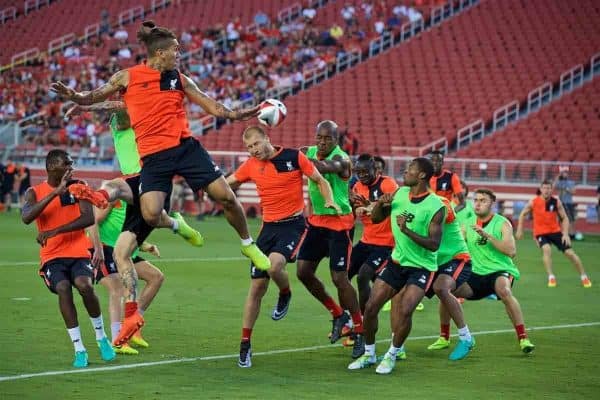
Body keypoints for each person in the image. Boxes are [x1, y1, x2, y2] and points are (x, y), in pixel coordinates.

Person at [50, 21, 270, 277]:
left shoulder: (179, 79)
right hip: (153, 158)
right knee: (152, 215)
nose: (179, 54)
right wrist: (75, 96)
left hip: (185, 148)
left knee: (225, 196)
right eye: (176, 50)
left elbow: (213, 106)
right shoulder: (127, 76)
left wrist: (237, 114)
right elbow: (94, 95)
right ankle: (179, 225)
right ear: (160, 52)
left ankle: (247, 244)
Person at [65, 102, 198, 346]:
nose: (121, 119)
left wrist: (144, 246)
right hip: (129, 192)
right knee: (113, 189)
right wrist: (88, 104)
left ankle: (134, 323)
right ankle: (121, 336)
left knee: (154, 270)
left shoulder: (142, 127)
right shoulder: (121, 125)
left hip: (151, 178)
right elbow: (123, 111)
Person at [227, 126, 340, 368]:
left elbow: (319, 180)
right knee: (256, 289)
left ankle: (285, 293)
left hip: (293, 225)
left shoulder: (293, 157)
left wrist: (329, 199)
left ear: (267, 138)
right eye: (249, 147)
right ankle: (245, 344)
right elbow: (228, 184)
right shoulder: (249, 166)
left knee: (275, 265)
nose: (253, 150)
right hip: (267, 229)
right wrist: (211, 188)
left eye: (256, 144)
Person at [21, 149, 115, 368]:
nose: (71, 167)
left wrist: (56, 231)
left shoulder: (78, 185)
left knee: (85, 285)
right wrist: (55, 194)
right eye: (67, 163)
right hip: (52, 256)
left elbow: (88, 217)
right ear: (53, 167)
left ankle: (101, 337)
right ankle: (79, 348)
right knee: (63, 287)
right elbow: (26, 217)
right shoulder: (34, 192)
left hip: (78, 250)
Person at [348, 158, 444, 374]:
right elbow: (377, 217)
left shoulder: (436, 205)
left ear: (421, 175)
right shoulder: (400, 194)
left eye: (410, 169)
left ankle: (392, 354)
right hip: (397, 262)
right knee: (371, 307)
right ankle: (369, 354)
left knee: (405, 310)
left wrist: (407, 230)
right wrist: (381, 204)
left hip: (421, 267)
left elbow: (434, 244)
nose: (405, 171)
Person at [296, 120, 364, 359]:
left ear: (338, 141)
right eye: (319, 137)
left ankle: (360, 329)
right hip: (317, 222)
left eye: (328, 139)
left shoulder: (342, 160)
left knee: (339, 278)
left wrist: (299, 157)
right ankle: (338, 314)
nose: (322, 142)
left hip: (340, 223)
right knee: (303, 271)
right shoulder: (310, 151)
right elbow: (305, 157)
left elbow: (323, 168)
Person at [449, 188, 536, 353]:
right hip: (476, 274)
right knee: (445, 289)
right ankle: (444, 336)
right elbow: (456, 245)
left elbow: (511, 251)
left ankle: (523, 338)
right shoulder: (468, 223)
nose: (478, 204)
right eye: (476, 200)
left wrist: (488, 236)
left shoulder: (503, 223)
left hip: (500, 270)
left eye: (483, 201)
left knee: (504, 290)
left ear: (492, 204)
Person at [423, 196, 474, 360]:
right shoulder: (404, 199)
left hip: (455, 257)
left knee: (441, 288)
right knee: (402, 294)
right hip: (432, 261)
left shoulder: (441, 204)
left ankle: (466, 338)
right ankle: (396, 350)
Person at [516, 180, 591, 288]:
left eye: (548, 188)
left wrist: (565, 234)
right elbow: (522, 214)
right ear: (541, 189)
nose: (546, 190)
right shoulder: (533, 202)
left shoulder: (556, 202)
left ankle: (584, 277)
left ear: (551, 190)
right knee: (546, 249)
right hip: (540, 233)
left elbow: (565, 218)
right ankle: (551, 277)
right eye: (544, 188)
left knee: (570, 253)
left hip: (555, 231)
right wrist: (519, 229)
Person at [348, 154, 397, 315]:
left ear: (375, 169)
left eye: (365, 171)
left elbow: (394, 203)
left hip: (385, 244)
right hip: (365, 241)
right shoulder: (357, 187)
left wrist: (370, 207)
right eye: (358, 172)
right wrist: (357, 209)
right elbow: (356, 211)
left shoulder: (387, 183)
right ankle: (347, 315)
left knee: (363, 276)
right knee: (342, 274)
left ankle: (364, 318)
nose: (362, 175)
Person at [553, 167, 577, 237]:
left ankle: (572, 234)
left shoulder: (571, 182)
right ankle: (557, 233)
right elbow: (553, 186)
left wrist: (566, 189)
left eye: (566, 173)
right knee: (558, 219)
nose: (565, 174)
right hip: (560, 203)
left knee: (570, 219)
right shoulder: (560, 182)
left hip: (568, 203)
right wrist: (558, 176)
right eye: (563, 173)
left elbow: (573, 192)